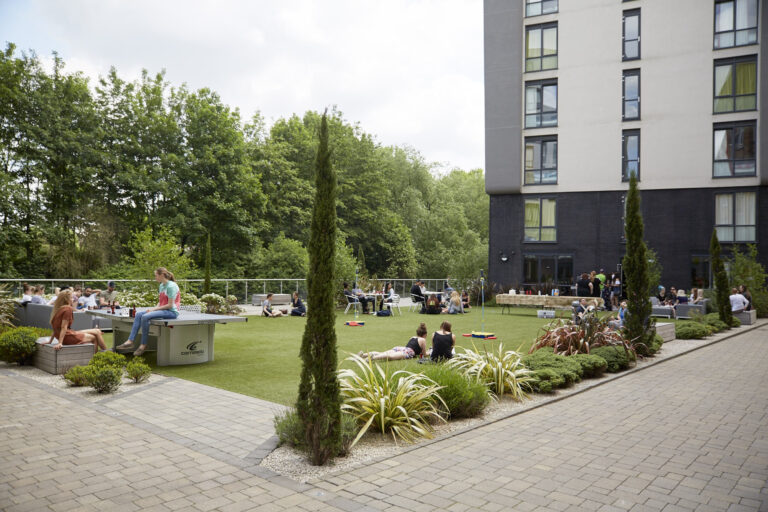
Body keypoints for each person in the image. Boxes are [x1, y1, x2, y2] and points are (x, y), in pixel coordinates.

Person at [116, 267, 181, 356]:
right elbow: (161, 302)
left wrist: (153, 310)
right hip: (163, 310)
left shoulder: (171, 286)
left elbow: (170, 305)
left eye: (156, 276)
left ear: (162, 275)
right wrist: (153, 308)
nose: (155, 278)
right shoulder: (162, 285)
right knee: (139, 314)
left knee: (145, 316)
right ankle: (130, 341)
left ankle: (143, 345)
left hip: (171, 312)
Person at [359, 323, 428, 361]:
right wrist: (430, 352)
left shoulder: (413, 337)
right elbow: (424, 354)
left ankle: (362, 355)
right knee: (390, 357)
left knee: (382, 353)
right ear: (425, 334)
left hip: (401, 348)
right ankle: (372, 358)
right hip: (408, 351)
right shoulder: (423, 340)